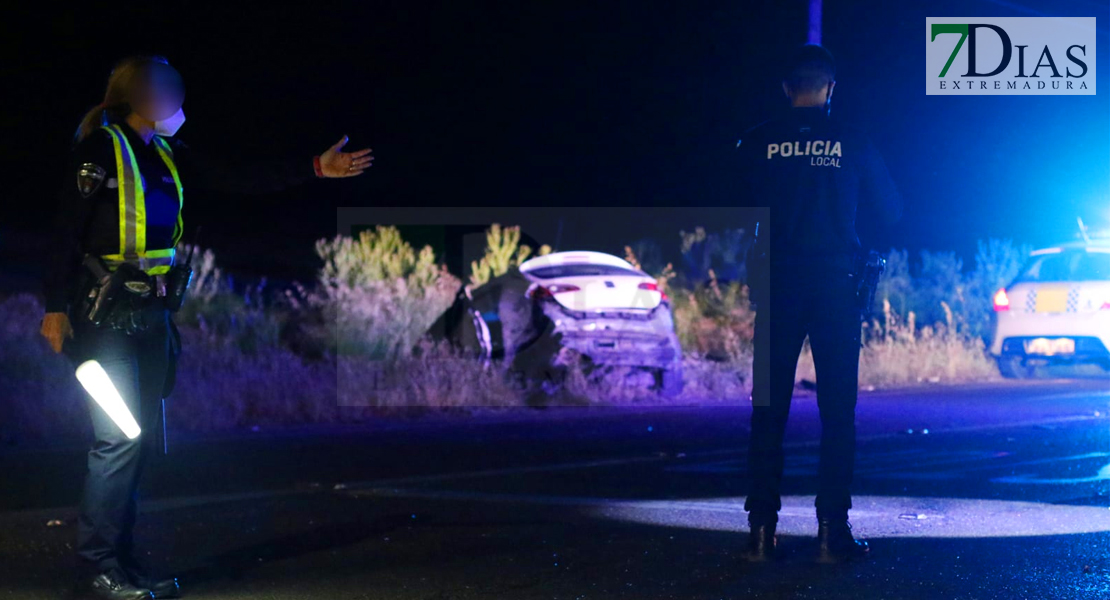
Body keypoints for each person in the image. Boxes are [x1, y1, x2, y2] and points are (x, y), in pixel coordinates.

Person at [38, 55, 373, 600]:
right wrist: (54, 308)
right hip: (103, 321)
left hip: (151, 317)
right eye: (167, 88)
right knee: (118, 440)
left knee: (141, 443)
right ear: (139, 96)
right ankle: (98, 567)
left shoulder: (166, 153)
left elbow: (237, 178)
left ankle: (120, 563)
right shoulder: (103, 148)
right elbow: (63, 231)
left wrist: (315, 167)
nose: (178, 99)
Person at [736, 44, 902, 563]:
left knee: (768, 412)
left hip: (778, 284)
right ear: (830, 89)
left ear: (787, 90)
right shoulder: (853, 140)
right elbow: (892, 211)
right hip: (836, 285)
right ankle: (832, 534)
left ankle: (761, 534)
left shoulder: (758, 140)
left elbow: (734, 206)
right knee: (838, 413)